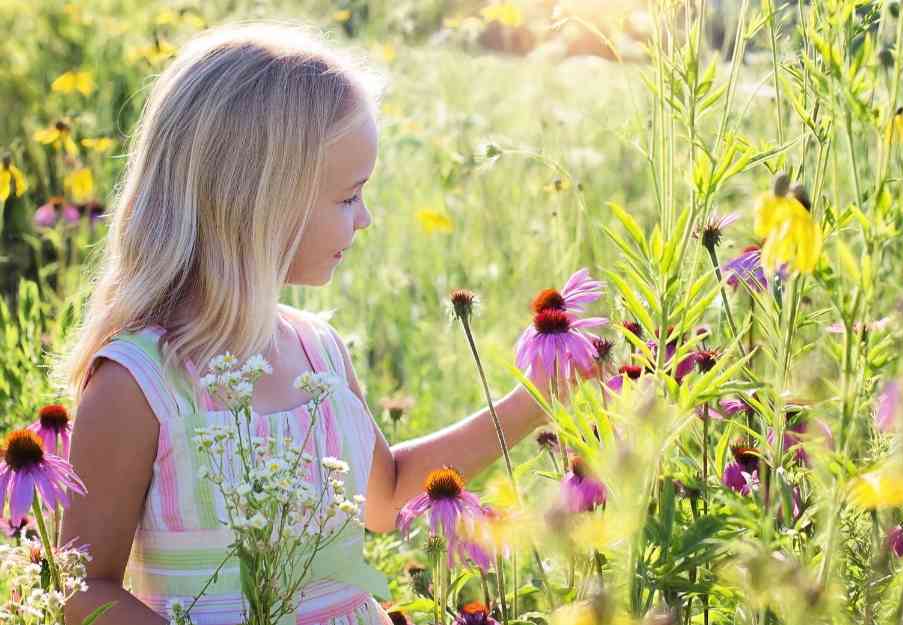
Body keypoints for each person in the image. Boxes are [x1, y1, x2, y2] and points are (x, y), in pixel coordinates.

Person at [51, 21, 576, 625]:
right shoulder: (137, 384)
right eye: (349, 196)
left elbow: (384, 497)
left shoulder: (317, 351)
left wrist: (535, 397)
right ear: (260, 202)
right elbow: (83, 588)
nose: (367, 218)